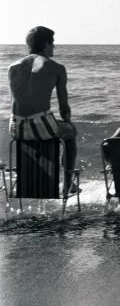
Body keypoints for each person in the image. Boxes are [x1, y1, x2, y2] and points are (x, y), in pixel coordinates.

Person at [8, 26, 79, 192]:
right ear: (46, 44)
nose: (54, 47)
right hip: (41, 124)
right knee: (70, 133)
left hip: (15, 127)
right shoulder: (56, 68)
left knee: (36, 131)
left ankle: (25, 179)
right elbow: (64, 108)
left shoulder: (13, 67)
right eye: (52, 43)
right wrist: (68, 123)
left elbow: (16, 100)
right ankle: (68, 184)